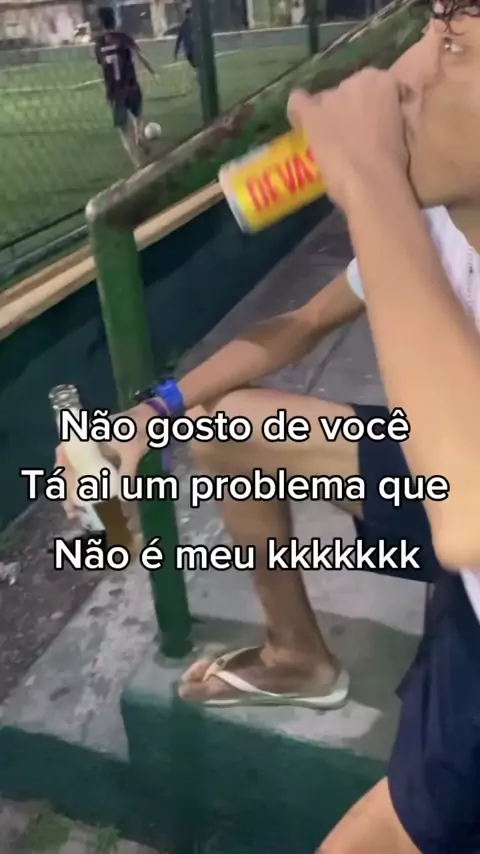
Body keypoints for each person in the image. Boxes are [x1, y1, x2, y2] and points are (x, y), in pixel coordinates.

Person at [58, 2, 480, 850]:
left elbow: (470, 519)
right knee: (225, 425)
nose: (399, 76)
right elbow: (301, 324)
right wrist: (151, 412)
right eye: (428, 26)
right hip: (448, 471)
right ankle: (299, 658)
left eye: (456, 42)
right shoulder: (440, 226)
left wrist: (370, 181)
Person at [94, 6, 156, 169]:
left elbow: (101, 68)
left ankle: (138, 164)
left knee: (124, 131)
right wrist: (152, 71)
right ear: (114, 20)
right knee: (138, 116)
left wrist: (105, 89)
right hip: (131, 86)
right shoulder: (123, 37)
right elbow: (139, 55)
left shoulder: (99, 43)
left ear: (100, 23)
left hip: (115, 92)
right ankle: (140, 135)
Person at [174, 6, 198, 88]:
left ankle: (195, 82)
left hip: (189, 52)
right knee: (200, 69)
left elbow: (178, 40)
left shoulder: (184, 25)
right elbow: (179, 40)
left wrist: (175, 53)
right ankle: (194, 82)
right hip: (192, 51)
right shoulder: (193, 24)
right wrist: (175, 52)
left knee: (198, 68)